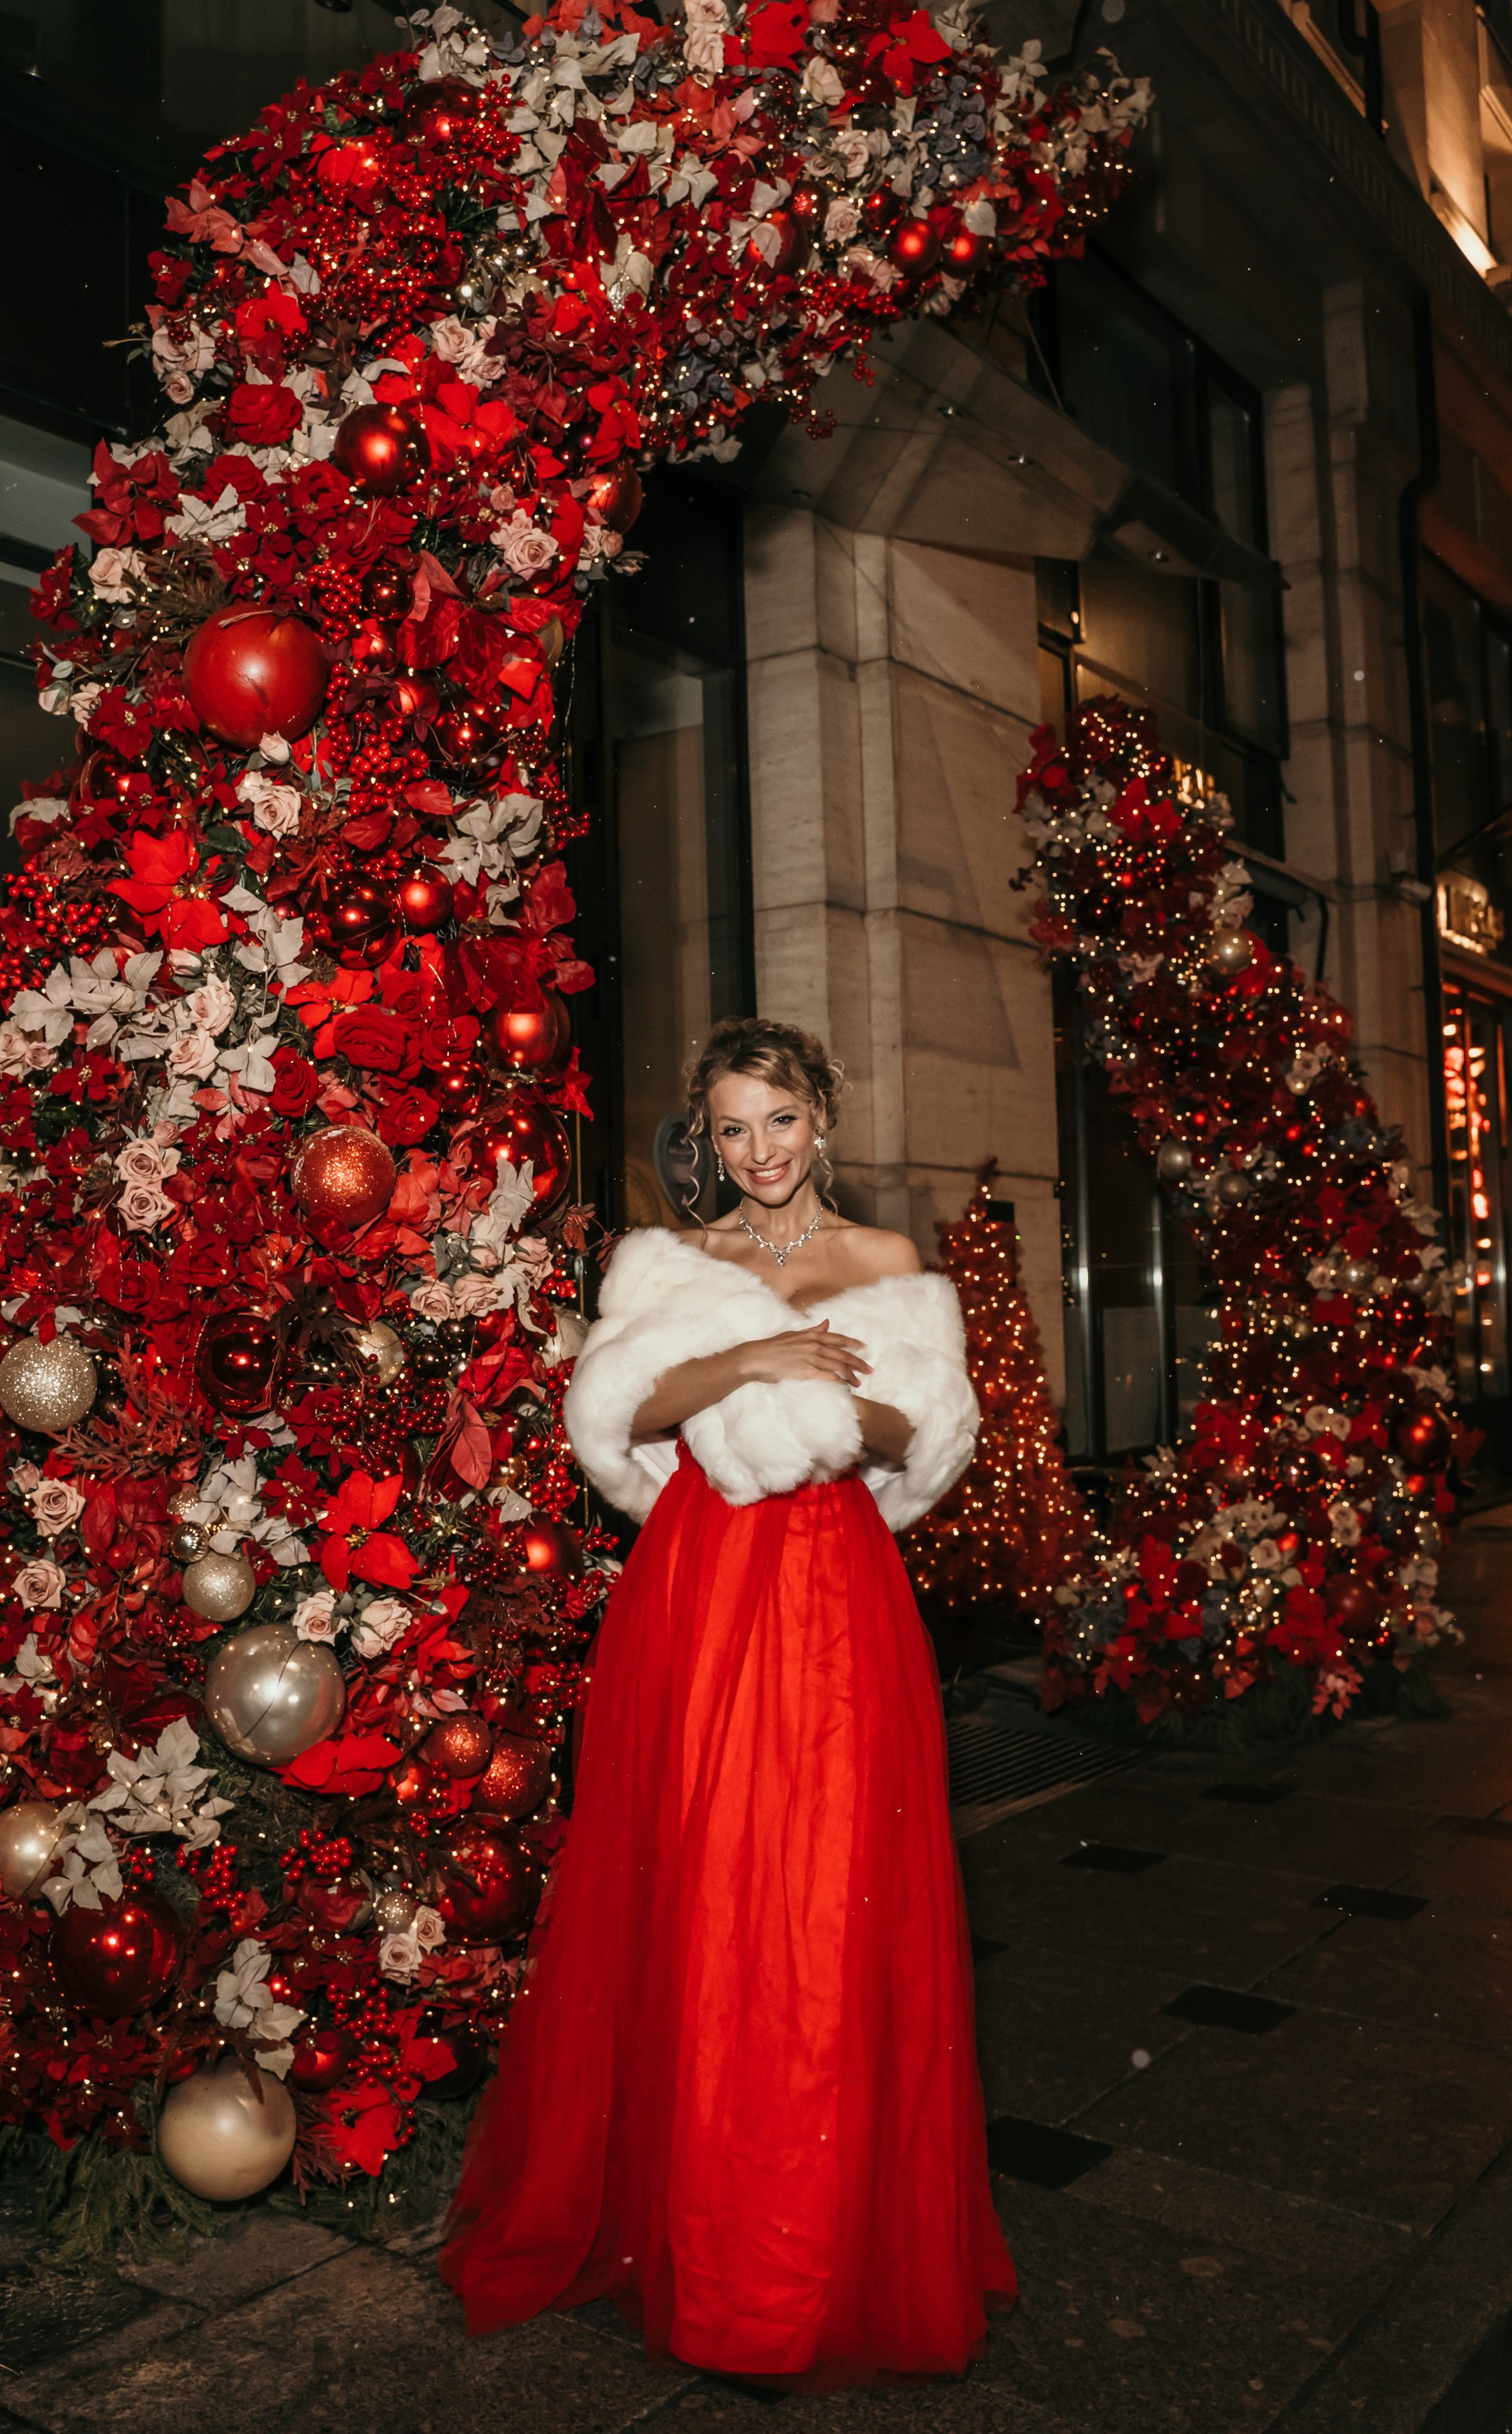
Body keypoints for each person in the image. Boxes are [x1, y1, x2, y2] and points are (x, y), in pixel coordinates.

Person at [440, 1016, 1014, 2389]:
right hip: (696, 1590)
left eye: (782, 1121)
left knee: (830, 1888)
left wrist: (823, 1407)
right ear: (708, 1140)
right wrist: (759, 1364)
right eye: (733, 1130)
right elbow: (613, 1412)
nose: (759, 1153)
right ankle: (694, 2222)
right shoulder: (665, 1261)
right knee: (699, 1881)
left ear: (823, 1116)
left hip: (836, 1592)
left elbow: (927, 1434)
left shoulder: (889, 1266)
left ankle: (808, 2241)